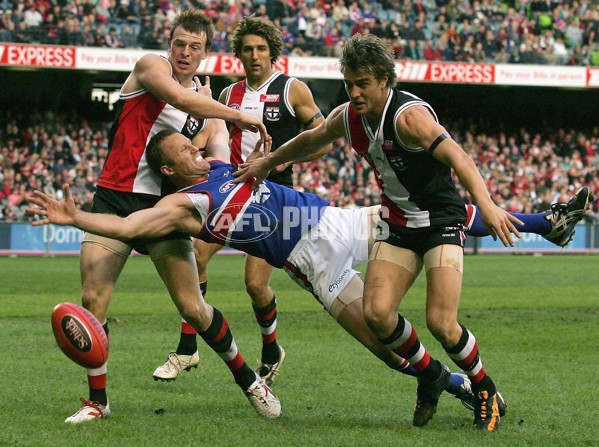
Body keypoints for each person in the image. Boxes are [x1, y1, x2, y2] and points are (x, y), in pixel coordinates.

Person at [28, 130, 592, 422]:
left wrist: (260, 142)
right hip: (311, 264)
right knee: (384, 343)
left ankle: (547, 222)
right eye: (185, 148)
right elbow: (131, 226)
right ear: (171, 168)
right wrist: (75, 216)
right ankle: (447, 385)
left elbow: (227, 128)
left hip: (333, 220)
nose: (197, 149)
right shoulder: (184, 205)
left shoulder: (222, 165)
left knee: (434, 217)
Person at [232, 33, 593, 431]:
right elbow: (311, 138)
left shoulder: (408, 118)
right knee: (378, 315)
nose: (354, 92)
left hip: (440, 223)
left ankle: (484, 386)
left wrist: (488, 204)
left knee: (442, 322)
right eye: (349, 83)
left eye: (363, 83)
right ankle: (430, 377)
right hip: (398, 226)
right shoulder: (347, 117)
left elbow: (458, 155)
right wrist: (267, 164)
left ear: (385, 80)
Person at [60, 8, 280, 423]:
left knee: (194, 307)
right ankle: (97, 402)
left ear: (205, 54)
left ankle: (251, 380)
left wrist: (239, 168)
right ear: (169, 44)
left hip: (163, 209)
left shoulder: (205, 104)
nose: (184, 52)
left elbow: (211, 160)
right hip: (114, 198)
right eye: (179, 43)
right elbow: (178, 98)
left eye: (194, 47)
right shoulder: (150, 67)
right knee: (93, 298)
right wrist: (237, 114)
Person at [152, 16, 331, 385]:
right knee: (196, 256)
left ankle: (270, 349)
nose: (254, 55)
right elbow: (209, 136)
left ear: (272, 53)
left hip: (271, 195)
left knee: (254, 284)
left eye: (261, 49)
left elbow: (324, 140)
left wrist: (276, 160)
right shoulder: (228, 96)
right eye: (247, 49)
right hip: (231, 190)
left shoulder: (292, 89)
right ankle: (188, 349)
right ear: (238, 54)